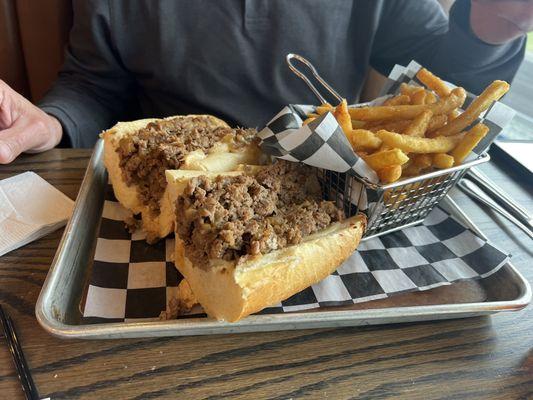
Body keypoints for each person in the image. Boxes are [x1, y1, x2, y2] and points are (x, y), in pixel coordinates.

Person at [0, 0, 532, 164]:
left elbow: (451, 98)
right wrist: (50, 121)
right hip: (171, 182)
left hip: (330, 184)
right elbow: (92, 88)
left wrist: (489, 30)